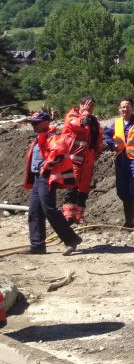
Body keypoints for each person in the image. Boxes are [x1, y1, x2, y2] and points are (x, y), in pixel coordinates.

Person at [20, 112, 83, 256]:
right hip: (38, 177)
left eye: (36, 122)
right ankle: (37, 245)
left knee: (49, 209)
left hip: (47, 177)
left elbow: (59, 151)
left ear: (46, 122)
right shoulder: (39, 138)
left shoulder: (53, 137)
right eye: (32, 122)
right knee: (34, 211)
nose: (33, 124)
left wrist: (47, 165)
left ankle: (72, 239)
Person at [103, 97, 134, 229]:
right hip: (121, 160)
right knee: (122, 191)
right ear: (119, 109)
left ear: (132, 108)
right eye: (123, 107)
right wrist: (112, 144)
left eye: (128, 106)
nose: (125, 109)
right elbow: (106, 134)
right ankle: (129, 221)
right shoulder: (117, 123)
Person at [59, 96, 104, 224]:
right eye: (88, 105)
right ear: (81, 105)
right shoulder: (72, 116)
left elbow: (99, 134)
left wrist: (99, 148)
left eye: (92, 106)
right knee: (72, 186)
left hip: (87, 159)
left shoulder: (93, 121)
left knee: (84, 188)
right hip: (73, 158)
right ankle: (68, 216)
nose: (90, 108)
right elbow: (79, 125)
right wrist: (84, 113)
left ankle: (79, 216)